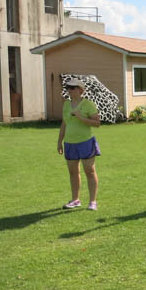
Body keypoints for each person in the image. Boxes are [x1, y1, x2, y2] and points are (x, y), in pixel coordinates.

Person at [56, 78, 101, 210]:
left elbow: (97, 123)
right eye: (68, 88)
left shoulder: (88, 104)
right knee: (73, 173)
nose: (69, 90)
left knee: (90, 172)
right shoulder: (66, 105)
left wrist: (80, 117)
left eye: (73, 87)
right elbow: (64, 123)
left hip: (86, 142)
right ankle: (75, 200)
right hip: (70, 143)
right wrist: (59, 142)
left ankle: (93, 202)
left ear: (80, 90)